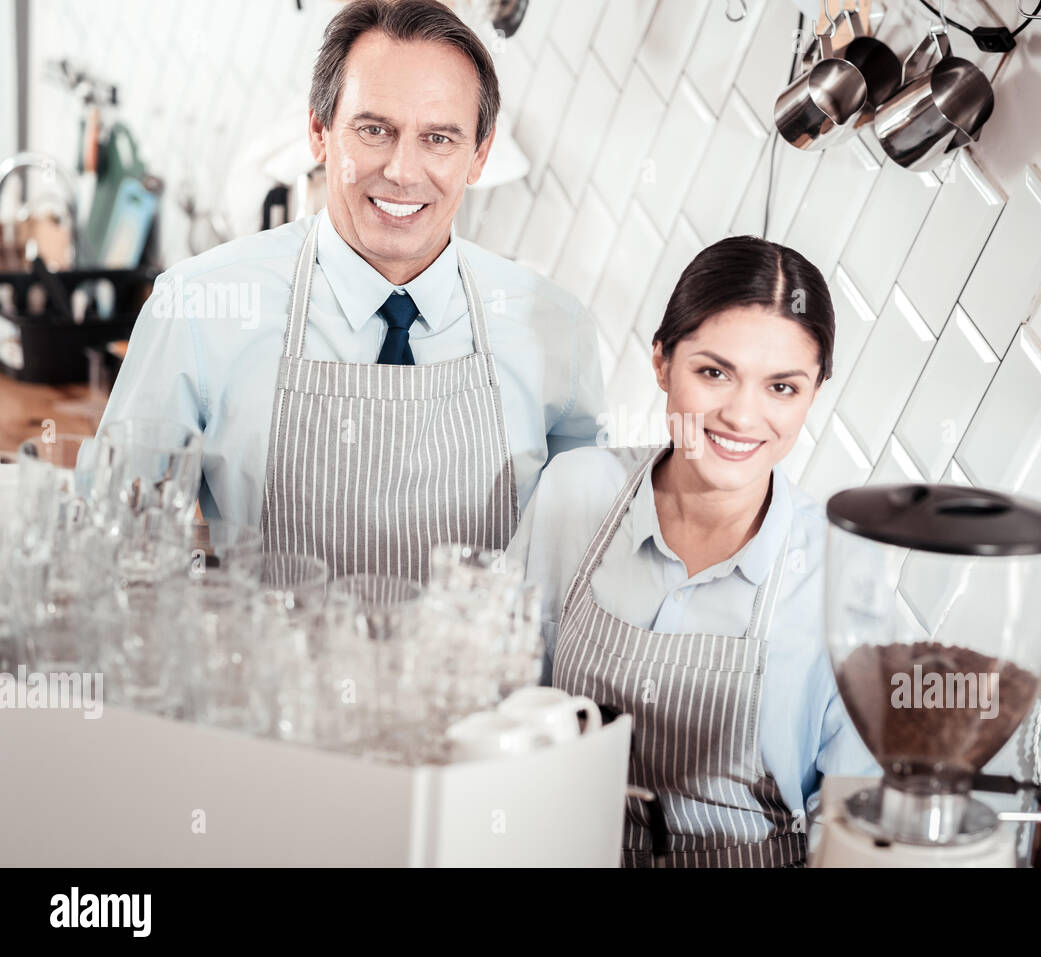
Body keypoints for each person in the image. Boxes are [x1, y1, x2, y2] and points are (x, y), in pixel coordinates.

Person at [97, 0, 603, 581]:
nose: (403, 171)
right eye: (373, 130)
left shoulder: (556, 328)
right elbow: (113, 547)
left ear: (479, 155)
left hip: (476, 675)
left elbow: (577, 570)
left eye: (439, 138)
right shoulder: (195, 308)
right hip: (271, 671)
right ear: (319, 132)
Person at [508, 236, 878, 867]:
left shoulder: (844, 568)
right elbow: (500, 699)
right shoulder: (577, 491)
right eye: (714, 373)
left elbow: (856, 814)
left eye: (782, 387)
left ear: (814, 391)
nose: (741, 415)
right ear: (661, 362)